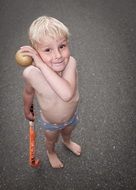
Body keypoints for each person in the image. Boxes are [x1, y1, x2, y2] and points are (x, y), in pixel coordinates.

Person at [20, 16, 81, 168]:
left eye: (62, 46)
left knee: (68, 132)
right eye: (48, 50)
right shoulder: (31, 74)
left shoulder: (70, 64)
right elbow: (28, 93)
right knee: (50, 139)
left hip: (70, 116)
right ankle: (51, 152)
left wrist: (41, 62)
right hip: (51, 122)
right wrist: (27, 109)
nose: (58, 55)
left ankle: (67, 142)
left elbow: (66, 94)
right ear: (35, 53)